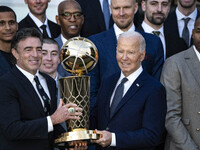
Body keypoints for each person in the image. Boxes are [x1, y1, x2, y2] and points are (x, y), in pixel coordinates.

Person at [0, 28, 82, 150]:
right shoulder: (5, 84)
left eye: (39, 50)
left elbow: (53, 124)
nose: (35, 55)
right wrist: (52, 120)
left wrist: (70, 141)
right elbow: (12, 129)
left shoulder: (48, 81)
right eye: (28, 50)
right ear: (15, 53)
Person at [90, 31, 167, 150]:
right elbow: (96, 119)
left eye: (130, 52)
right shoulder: (107, 82)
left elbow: (152, 136)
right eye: (120, 51)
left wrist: (114, 139)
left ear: (142, 55)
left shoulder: (154, 89)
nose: (124, 57)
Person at [88, 0, 164, 109]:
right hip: (105, 121)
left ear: (136, 8)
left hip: (142, 119)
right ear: (110, 9)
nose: (121, 13)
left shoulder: (153, 42)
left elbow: (156, 88)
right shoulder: (95, 42)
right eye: (116, 8)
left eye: (126, 7)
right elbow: (91, 90)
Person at [160, 17, 200, 150]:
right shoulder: (175, 63)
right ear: (193, 33)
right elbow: (171, 116)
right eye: (199, 31)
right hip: (184, 145)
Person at [55, 0, 84, 77]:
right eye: (66, 14)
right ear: (58, 20)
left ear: (82, 19)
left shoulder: (93, 47)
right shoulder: (50, 48)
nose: (72, 19)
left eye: (77, 15)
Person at [0, 6, 18, 77]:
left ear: (17, 25)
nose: (8, 28)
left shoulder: (24, 54)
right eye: (2, 23)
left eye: (11, 22)